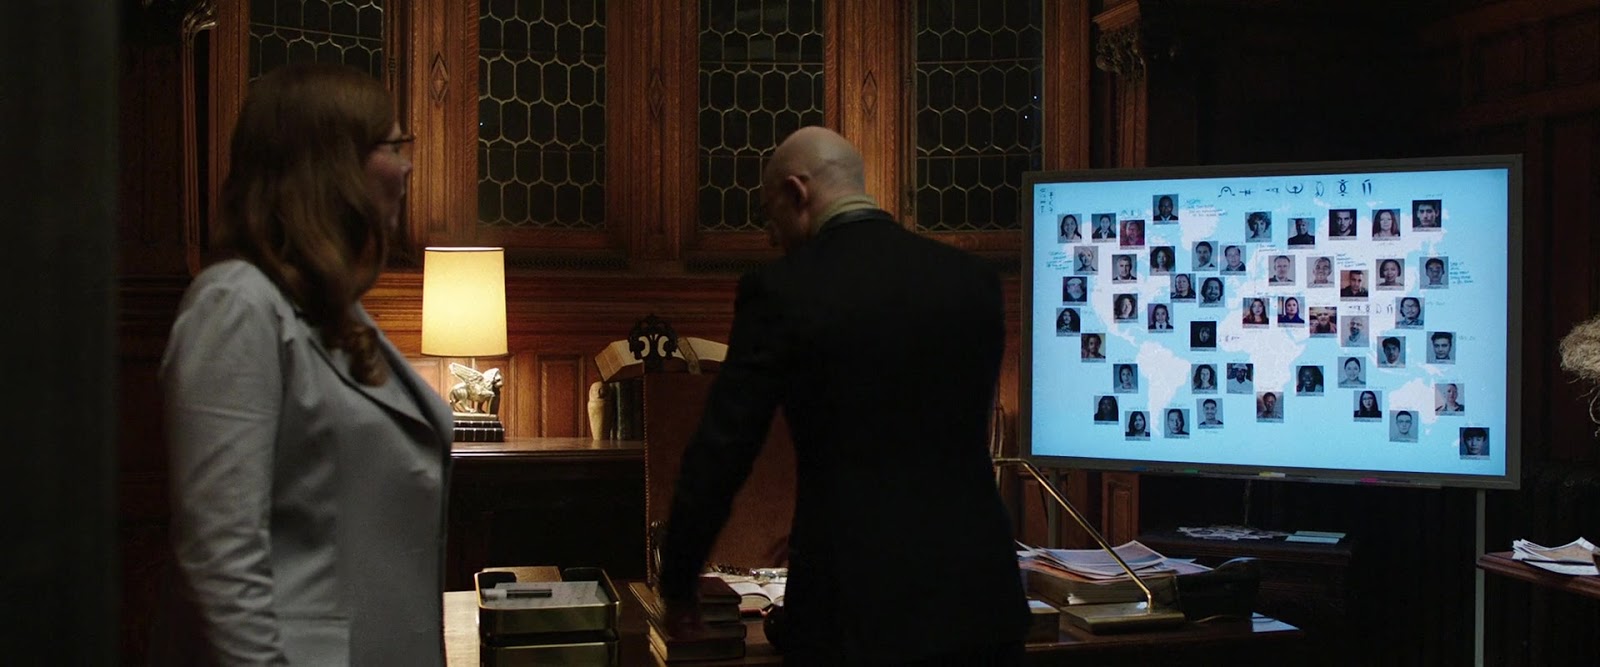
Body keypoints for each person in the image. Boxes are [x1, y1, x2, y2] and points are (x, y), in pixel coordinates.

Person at [657, 127, 1029, 664]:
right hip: (980, 599)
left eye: (769, 215)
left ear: (796, 192)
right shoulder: (972, 281)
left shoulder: (783, 290)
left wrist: (679, 582)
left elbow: (723, 449)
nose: (771, 237)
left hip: (854, 607)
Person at [156, 64, 453, 665]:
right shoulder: (236, 305)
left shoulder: (334, 310)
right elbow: (221, 556)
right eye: (394, 145)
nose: (408, 167)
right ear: (331, 166)